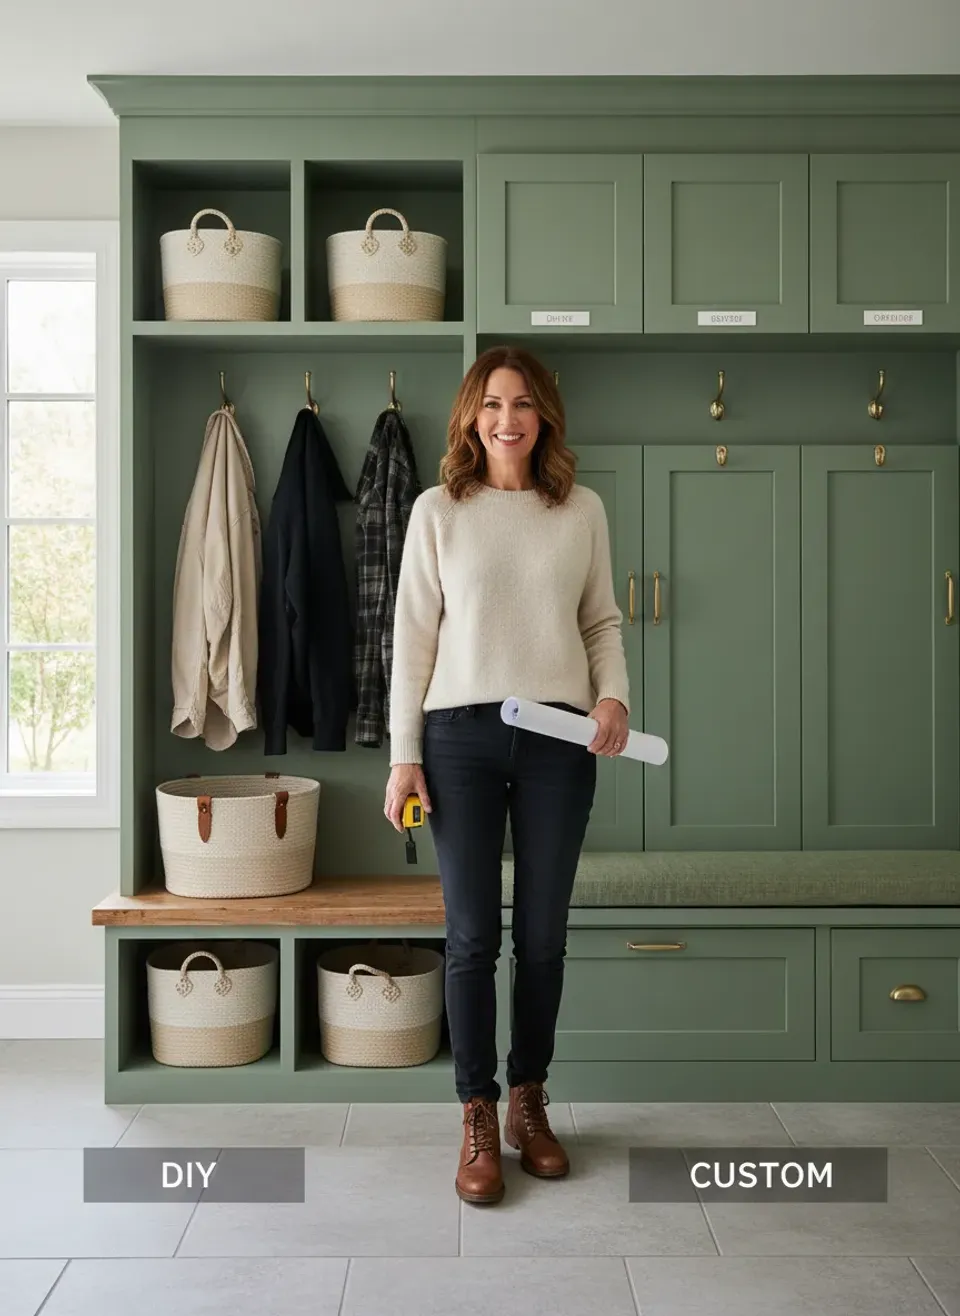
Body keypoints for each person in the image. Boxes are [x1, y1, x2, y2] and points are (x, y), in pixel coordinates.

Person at [383, 345, 630, 1206]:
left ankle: (531, 1098)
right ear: (469, 416)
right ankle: (477, 1111)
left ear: (545, 416)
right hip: (459, 740)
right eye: (491, 403)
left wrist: (615, 698)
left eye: (523, 403)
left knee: (547, 935)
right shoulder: (436, 511)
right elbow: (411, 641)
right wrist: (402, 756)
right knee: (472, 937)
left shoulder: (582, 511)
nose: (507, 418)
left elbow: (601, 622)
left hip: (562, 740)